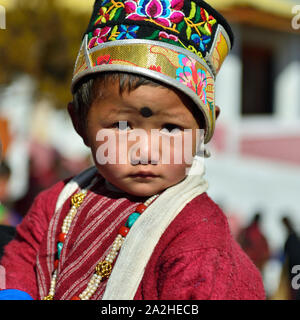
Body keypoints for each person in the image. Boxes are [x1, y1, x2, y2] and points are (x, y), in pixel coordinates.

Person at [0, 0, 265, 300]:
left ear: (204, 131)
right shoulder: (58, 202)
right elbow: (22, 256)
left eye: (170, 129)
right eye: (123, 126)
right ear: (80, 123)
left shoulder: (196, 234)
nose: (146, 151)